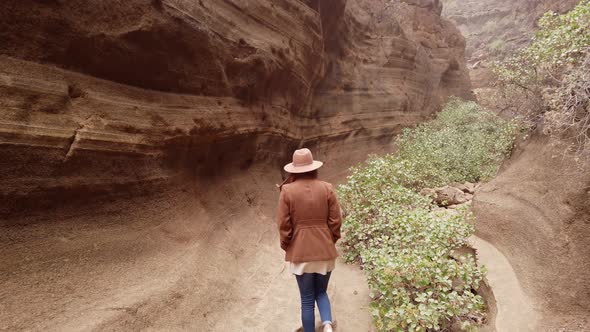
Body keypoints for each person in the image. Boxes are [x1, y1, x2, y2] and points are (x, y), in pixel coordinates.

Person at [276, 148, 342, 332]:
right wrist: (330, 241)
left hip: (301, 252)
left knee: (306, 300)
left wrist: (287, 245)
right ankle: (327, 326)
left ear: (293, 170)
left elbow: (283, 225)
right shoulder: (327, 187)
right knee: (321, 292)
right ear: (313, 167)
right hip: (325, 250)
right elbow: (336, 221)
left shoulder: (287, 191)